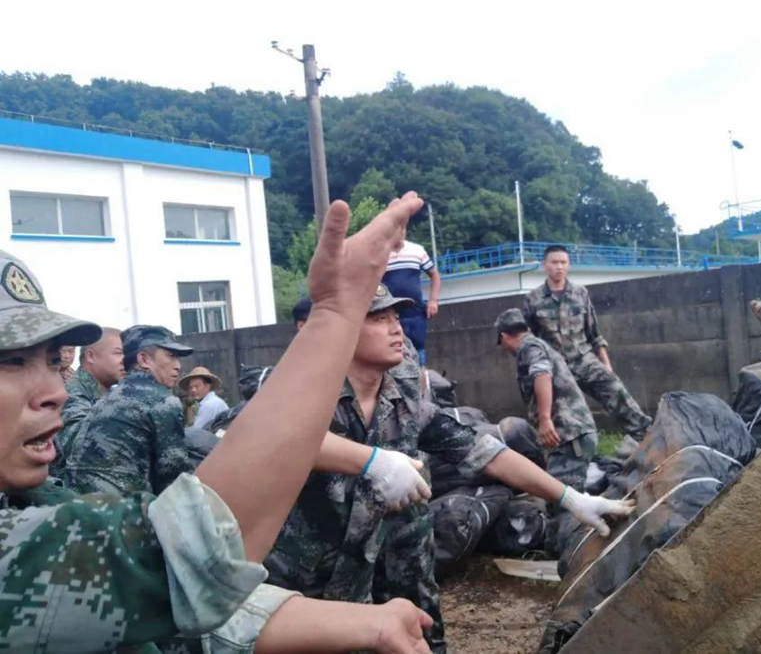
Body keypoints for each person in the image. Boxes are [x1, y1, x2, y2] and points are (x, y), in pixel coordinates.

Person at [0, 191, 438, 652]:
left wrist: (373, 624)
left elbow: (186, 612)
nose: (55, 392)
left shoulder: (37, 501)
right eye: (10, 362)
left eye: (52, 361)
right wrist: (336, 312)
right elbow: (186, 561)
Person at [265, 284, 635, 653]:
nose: (396, 329)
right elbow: (271, 435)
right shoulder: (300, 389)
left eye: (396, 317)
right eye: (378, 318)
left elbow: (488, 453)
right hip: (298, 583)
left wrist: (570, 497)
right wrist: (372, 462)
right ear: (342, 330)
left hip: (356, 583)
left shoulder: (405, 405)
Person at [496, 308, 600, 550]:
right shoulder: (539, 344)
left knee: (565, 505)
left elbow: (541, 374)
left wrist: (544, 419)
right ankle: (556, 553)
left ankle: (572, 556)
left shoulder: (529, 347)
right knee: (558, 501)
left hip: (569, 435)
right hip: (570, 435)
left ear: (504, 336)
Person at [522, 244, 652, 439]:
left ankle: (647, 437)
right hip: (556, 367)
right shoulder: (533, 299)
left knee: (616, 391)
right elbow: (529, 341)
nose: (559, 267)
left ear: (569, 265)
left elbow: (594, 333)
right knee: (562, 416)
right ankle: (565, 450)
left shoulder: (580, 293)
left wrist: (606, 365)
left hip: (584, 360)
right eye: (554, 262)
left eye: (563, 262)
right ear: (544, 265)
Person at [64, 324, 197, 495]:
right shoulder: (162, 401)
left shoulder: (111, 395)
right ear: (144, 360)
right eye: (171, 356)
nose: (178, 365)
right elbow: (174, 480)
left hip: (83, 502)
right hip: (122, 506)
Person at [51, 327, 124, 476]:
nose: (126, 360)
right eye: (118, 353)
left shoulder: (110, 393)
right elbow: (81, 448)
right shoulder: (74, 392)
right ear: (91, 356)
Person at [381, 233, 441, 365]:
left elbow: (434, 275)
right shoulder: (378, 252)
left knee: (419, 351)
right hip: (390, 313)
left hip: (415, 312)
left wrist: (433, 301)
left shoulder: (417, 250)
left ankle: (421, 376)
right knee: (394, 353)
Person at [180, 366, 229, 431]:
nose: (193, 390)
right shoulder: (207, 402)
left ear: (207, 386)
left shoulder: (210, 404)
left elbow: (196, 431)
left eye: (197, 386)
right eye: (191, 387)